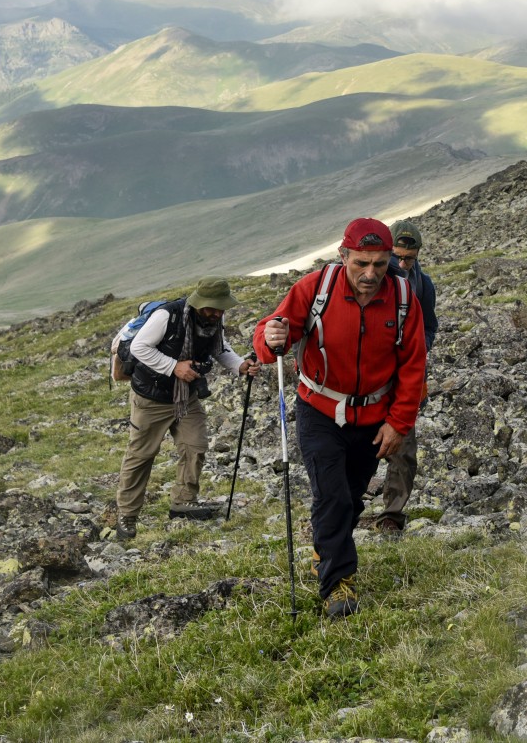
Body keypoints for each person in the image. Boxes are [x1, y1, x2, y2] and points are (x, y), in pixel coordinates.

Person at [255, 218, 427, 618]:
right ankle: (337, 583)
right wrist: (268, 339)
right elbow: (272, 333)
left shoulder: (403, 298)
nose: (370, 274)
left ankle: (324, 550)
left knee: (349, 499)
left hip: (373, 417)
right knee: (331, 495)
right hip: (318, 410)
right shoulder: (313, 289)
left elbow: (413, 364)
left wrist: (399, 423)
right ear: (344, 255)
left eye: (380, 265)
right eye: (361, 263)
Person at [115, 276, 260, 541]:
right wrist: (174, 367)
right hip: (152, 398)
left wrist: (239, 365)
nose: (216, 313)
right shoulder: (166, 317)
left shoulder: (216, 320)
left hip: (186, 397)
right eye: (212, 308)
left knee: (195, 445)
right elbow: (139, 347)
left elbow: (219, 348)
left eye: (221, 308)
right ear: (198, 303)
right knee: (141, 456)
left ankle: (183, 502)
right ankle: (127, 516)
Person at [374, 219, 438, 535]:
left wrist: (417, 348)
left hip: (407, 380)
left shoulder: (423, 285)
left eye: (408, 259)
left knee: (405, 448)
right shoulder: (372, 277)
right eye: (396, 256)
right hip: (371, 377)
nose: (401, 264)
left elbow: (429, 326)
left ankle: (391, 515)